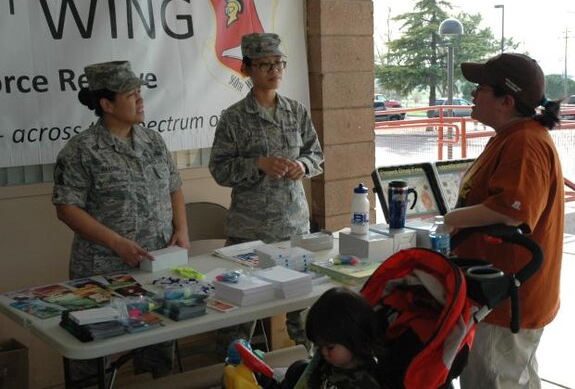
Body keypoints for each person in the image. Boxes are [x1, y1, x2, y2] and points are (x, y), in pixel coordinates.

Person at [53, 60, 190, 385]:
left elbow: (175, 187)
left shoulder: (153, 141)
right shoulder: (81, 150)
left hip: (155, 267)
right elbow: (66, 208)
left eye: (140, 92)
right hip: (102, 271)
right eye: (131, 95)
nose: (141, 100)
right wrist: (116, 243)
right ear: (106, 104)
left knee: (158, 351)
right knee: (93, 354)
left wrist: (182, 229)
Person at [444, 53, 564, 388]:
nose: (472, 94)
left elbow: (512, 212)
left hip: (508, 295)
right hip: (493, 290)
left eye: (480, 88)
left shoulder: (525, 143)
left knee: (497, 379)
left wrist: (452, 218)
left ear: (505, 101)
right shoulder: (511, 137)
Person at [209, 32, 324, 354]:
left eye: (279, 63)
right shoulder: (234, 118)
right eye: (265, 65)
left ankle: (312, 370)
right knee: (236, 317)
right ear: (247, 69)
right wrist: (257, 164)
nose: (274, 71)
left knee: (303, 314)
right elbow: (219, 169)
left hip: (293, 229)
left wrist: (303, 164)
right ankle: (233, 373)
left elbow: (317, 155)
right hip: (249, 233)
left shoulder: (296, 111)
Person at [279, 287, 385, 389]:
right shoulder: (328, 360)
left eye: (330, 347)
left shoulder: (367, 382)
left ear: (354, 339)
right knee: (296, 369)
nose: (323, 352)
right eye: (319, 346)